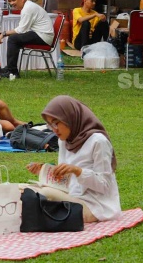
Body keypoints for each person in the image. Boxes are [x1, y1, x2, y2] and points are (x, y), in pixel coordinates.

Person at [25, 95, 121, 223]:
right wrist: (45, 170)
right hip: (72, 197)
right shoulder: (64, 141)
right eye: (50, 125)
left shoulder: (98, 141)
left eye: (56, 123)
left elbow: (104, 184)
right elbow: (64, 181)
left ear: (70, 117)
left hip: (96, 206)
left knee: (36, 194)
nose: (54, 129)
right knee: (24, 189)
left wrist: (78, 171)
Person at [0, 0, 55, 78]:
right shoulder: (28, 6)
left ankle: (12, 71)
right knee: (15, 39)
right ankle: (10, 68)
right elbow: (23, 29)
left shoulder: (28, 8)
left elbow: (21, 30)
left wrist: (4, 34)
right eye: (10, 1)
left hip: (44, 37)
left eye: (14, 0)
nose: (11, 3)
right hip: (42, 34)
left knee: (13, 39)